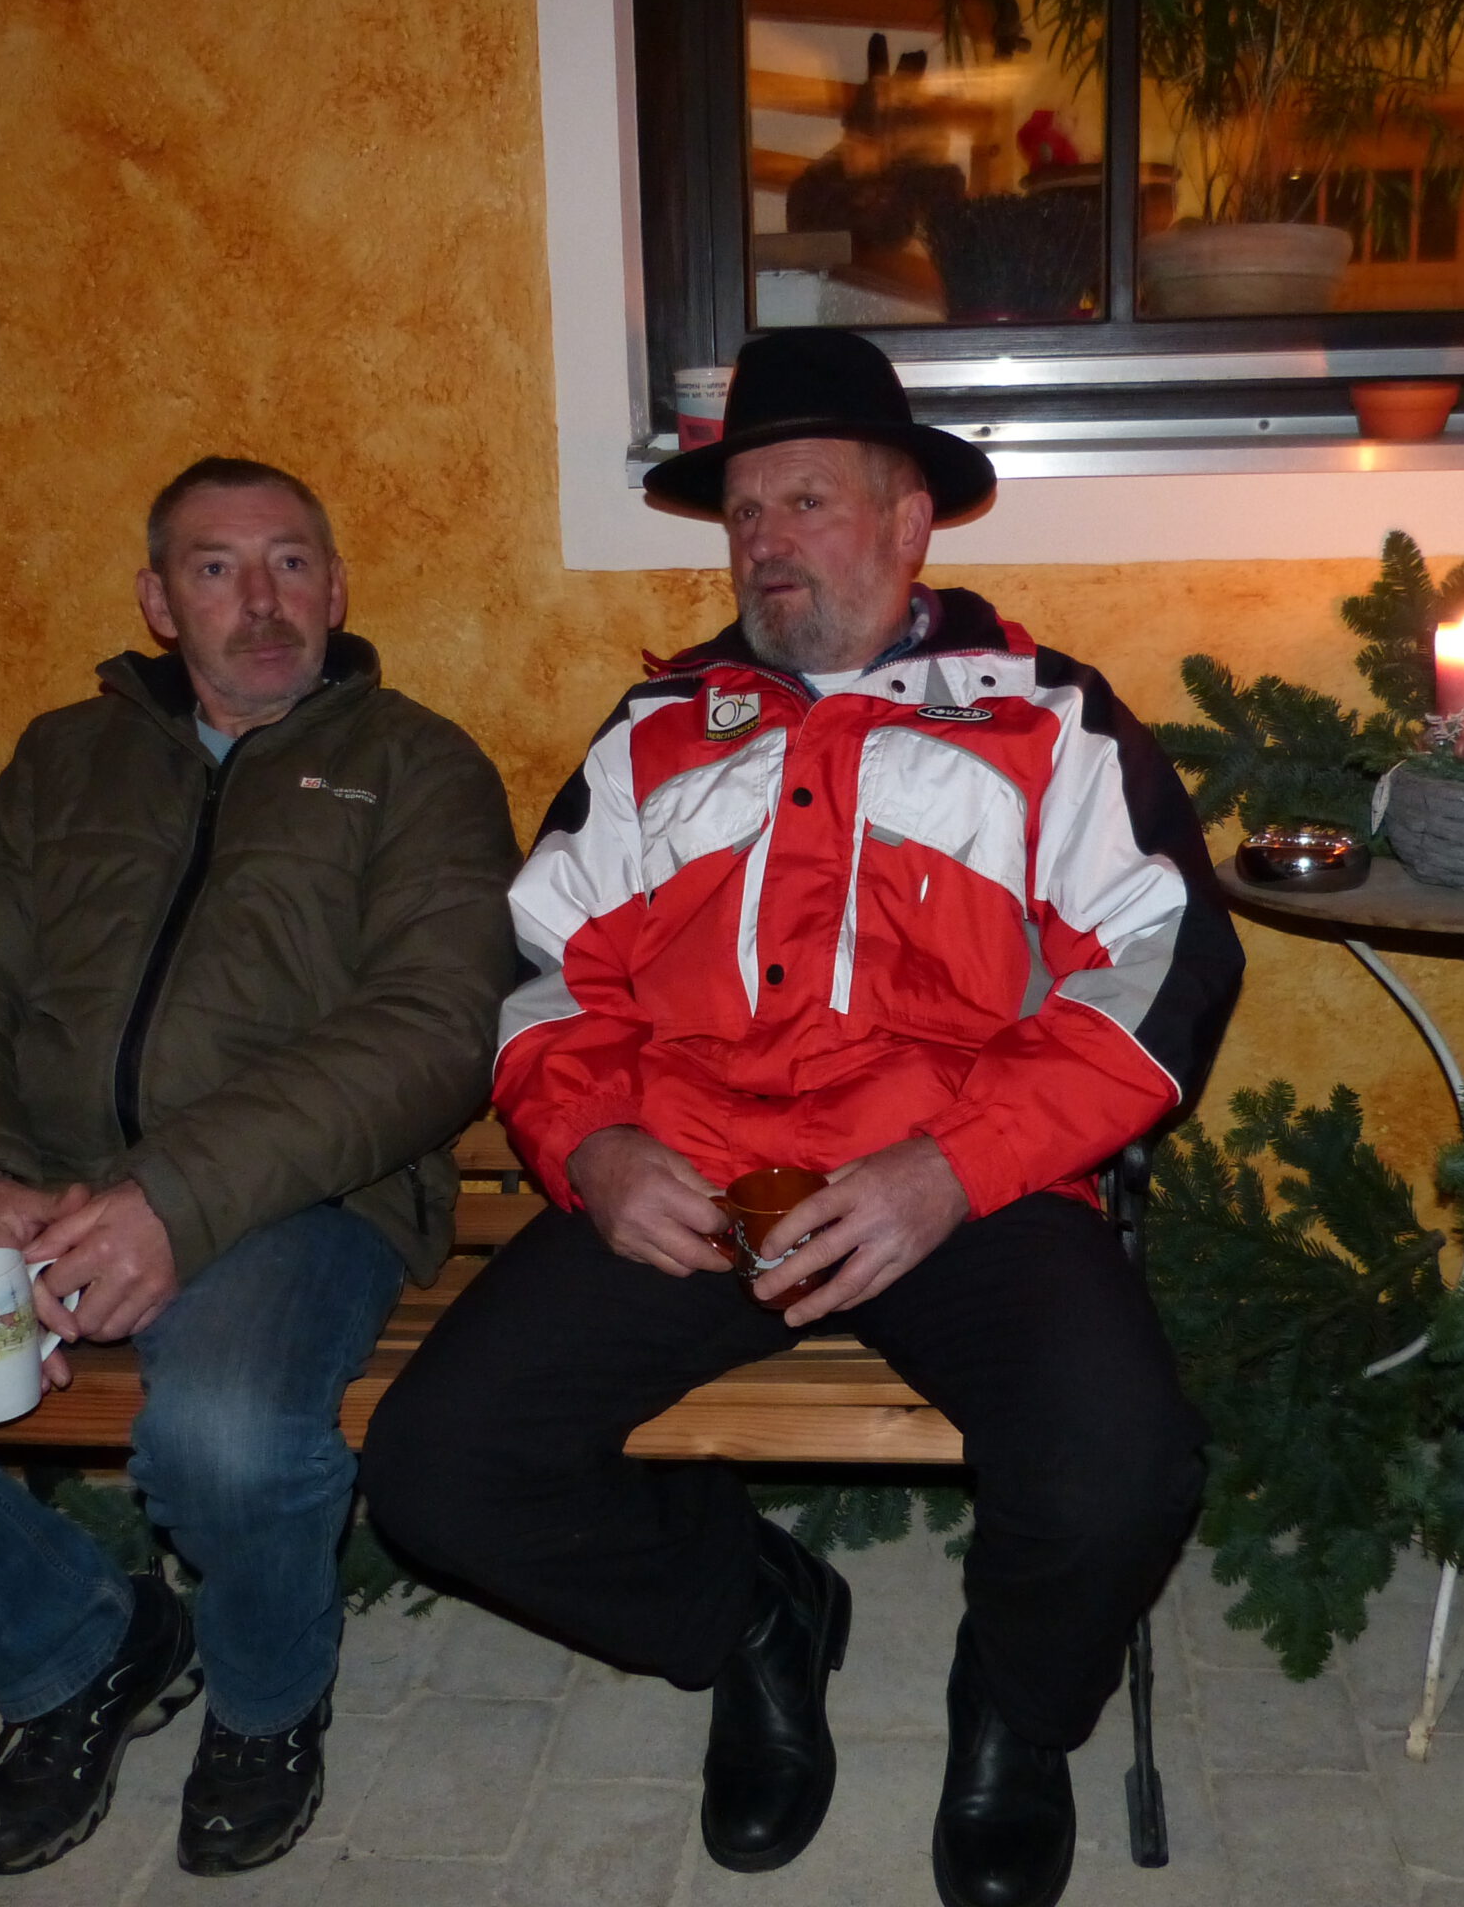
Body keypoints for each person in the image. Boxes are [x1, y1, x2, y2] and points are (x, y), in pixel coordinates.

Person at [364, 331, 1243, 1907]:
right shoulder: (655, 733)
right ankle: (757, 1617)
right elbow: (546, 979)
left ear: (910, 523)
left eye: (808, 502)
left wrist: (954, 1169)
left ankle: (1013, 1714)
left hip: (961, 1184)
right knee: (440, 1472)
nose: (767, 540)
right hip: (697, 1180)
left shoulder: (1046, 719)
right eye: (747, 511)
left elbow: (1162, 970)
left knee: (1125, 1467)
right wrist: (592, 1147)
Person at [0, 457, 518, 1878]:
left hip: (291, 1201)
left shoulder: (418, 766)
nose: (263, 603)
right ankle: (82, 1650)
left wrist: (171, 1203)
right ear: (157, 601)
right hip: (28, 1192)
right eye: (215, 569)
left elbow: (435, 1027)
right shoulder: (62, 759)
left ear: (336, 587)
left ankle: (265, 1704)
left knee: (229, 1440)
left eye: (292, 563)